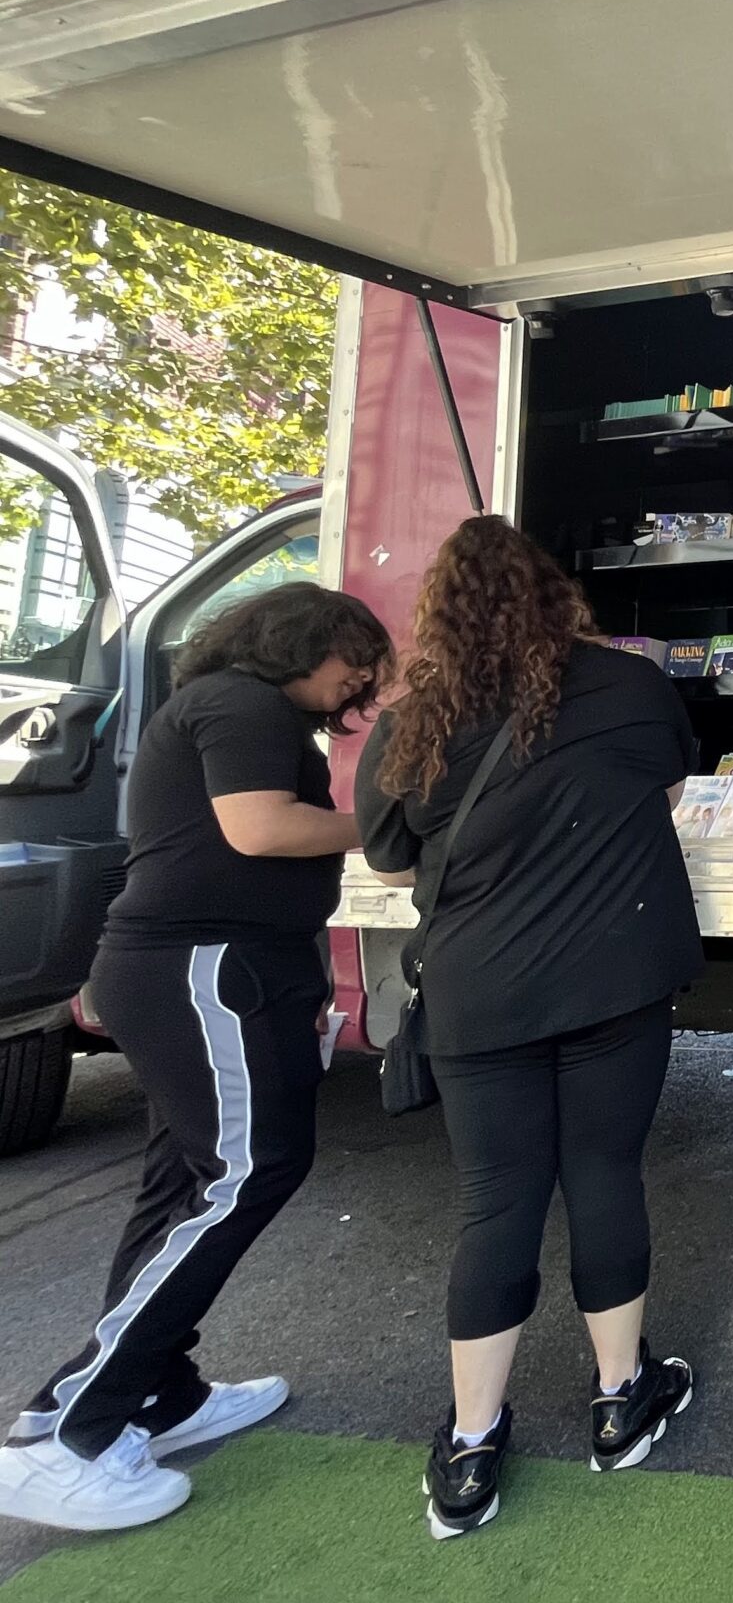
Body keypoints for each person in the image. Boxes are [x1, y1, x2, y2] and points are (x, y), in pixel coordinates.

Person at [0, 585, 393, 1532]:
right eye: (359, 657)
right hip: (206, 967)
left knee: (182, 1181)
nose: (366, 679)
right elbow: (258, 830)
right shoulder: (244, 704)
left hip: (201, 967)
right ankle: (64, 1429)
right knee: (248, 1171)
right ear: (305, 641)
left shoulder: (234, 710)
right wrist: (386, 830)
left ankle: (159, 1393)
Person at [358, 518, 705, 1540]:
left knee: (494, 1204)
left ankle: (470, 1447)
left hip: (479, 996)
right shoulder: (633, 686)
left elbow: (385, 862)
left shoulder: (415, 719)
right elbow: (668, 794)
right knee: (603, 1174)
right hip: (614, 985)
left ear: (440, 612)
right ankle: (618, 1399)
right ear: (555, 595)